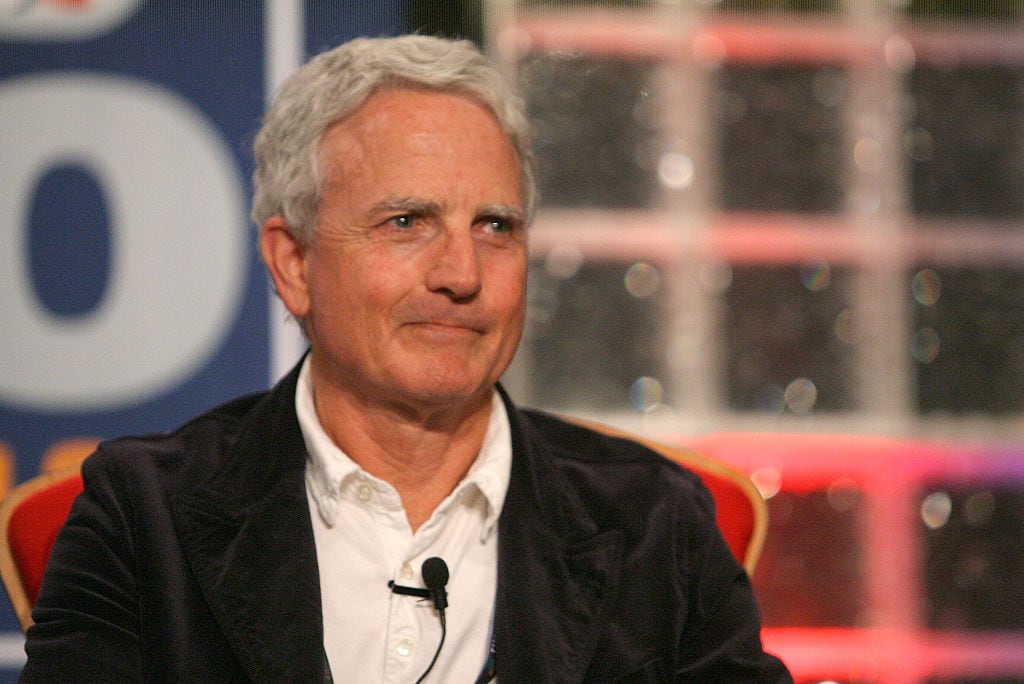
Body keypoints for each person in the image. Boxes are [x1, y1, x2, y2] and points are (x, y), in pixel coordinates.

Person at [20, 35, 791, 682]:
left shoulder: (657, 522)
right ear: (293, 263)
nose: (461, 274)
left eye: (495, 226)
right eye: (406, 221)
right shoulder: (143, 517)